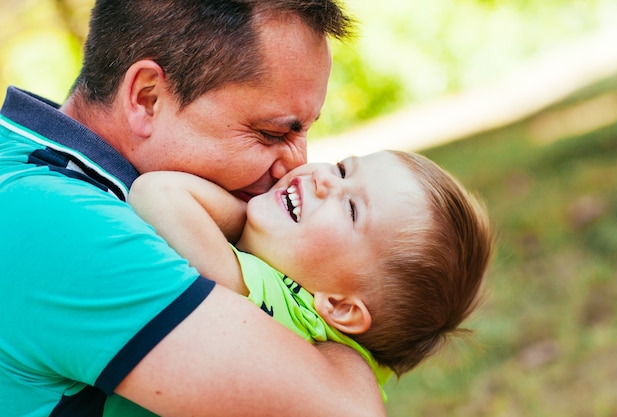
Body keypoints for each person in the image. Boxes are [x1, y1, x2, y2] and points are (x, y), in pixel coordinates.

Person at [0, 1, 390, 416]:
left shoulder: (34, 168)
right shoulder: (67, 227)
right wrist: (341, 340)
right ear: (147, 98)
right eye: (271, 133)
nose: (298, 166)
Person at [104, 149, 493, 415]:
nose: (325, 179)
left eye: (352, 209)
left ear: (339, 307)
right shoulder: (338, 354)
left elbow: (158, 193)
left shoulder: (278, 305)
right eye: (342, 169)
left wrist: (247, 215)